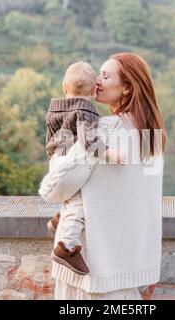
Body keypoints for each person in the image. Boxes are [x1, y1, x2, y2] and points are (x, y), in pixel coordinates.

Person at [39, 52, 167, 300]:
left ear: (127, 88)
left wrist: (60, 150)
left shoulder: (103, 132)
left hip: (88, 278)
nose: (97, 80)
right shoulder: (153, 137)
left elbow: (53, 190)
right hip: (126, 277)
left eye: (106, 76)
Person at [44, 61, 126, 276]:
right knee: (80, 203)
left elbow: (49, 140)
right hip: (74, 161)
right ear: (92, 91)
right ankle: (66, 247)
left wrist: (55, 161)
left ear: (64, 87)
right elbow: (89, 141)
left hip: (56, 160)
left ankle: (59, 219)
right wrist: (110, 155)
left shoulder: (54, 111)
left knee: (70, 197)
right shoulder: (85, 111)